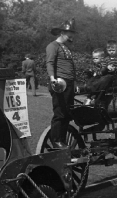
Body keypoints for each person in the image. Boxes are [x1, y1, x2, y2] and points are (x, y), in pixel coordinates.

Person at [45, 18, 77, 149]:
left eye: (72, 32)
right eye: (69, 32)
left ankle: (62, 140)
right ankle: (56, 140)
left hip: (69, 84)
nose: (71, 35)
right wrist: (53, 79)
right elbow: (50, 63)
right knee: (60, 113)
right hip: (59, 84)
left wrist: (74, 84)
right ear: (62, 32)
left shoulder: (66, 48)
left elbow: (70, 67)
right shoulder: (52, 46)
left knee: (68, 113)